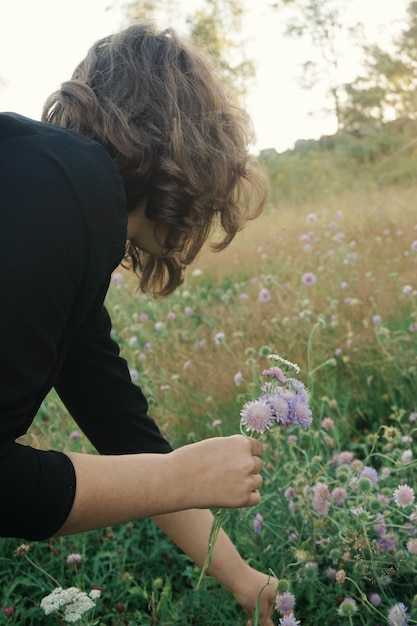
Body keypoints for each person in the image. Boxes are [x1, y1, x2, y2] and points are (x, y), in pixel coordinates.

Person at [0, 23, 276, 624]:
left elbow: (128, 435)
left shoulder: (57, 200)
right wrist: (177, 477)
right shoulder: (69, 188)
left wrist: (244, 580)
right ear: (184, 142)